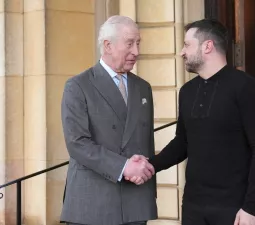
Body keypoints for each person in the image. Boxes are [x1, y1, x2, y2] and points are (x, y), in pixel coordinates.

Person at [127, 19, 255, 225]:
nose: (181, 52)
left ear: (207, 46)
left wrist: (252, 207)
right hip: (193, 207)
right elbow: (182, 142)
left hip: (234, 207)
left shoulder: (247, 87)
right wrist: (149, 165)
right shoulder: (187, 92)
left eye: (187, 45)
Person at [60, 15, 157, 225]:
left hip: (136, 202)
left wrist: (143, 173)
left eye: (138, 43)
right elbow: (77, 143)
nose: (136, 52)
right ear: (108, 45)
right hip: (94, 204)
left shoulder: (143, 88)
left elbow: (146, 141)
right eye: (130, 43)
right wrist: (124, 167)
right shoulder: (78, 86)